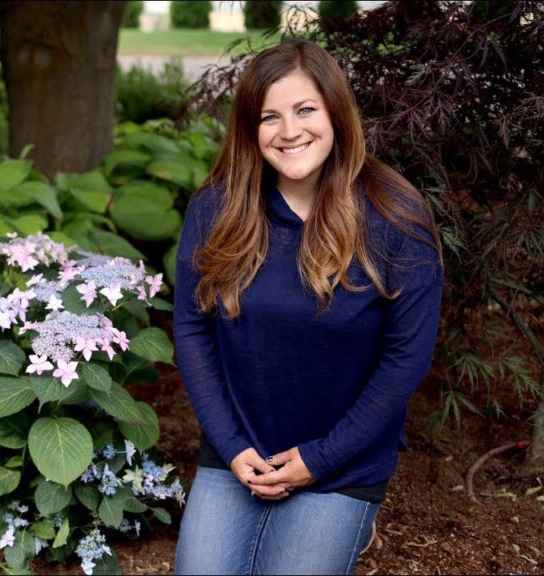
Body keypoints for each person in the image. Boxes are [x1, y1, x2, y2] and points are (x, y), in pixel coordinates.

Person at [173, 38, 443, 575]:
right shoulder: (218, 209)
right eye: (269, 116)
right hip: (240, 453)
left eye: (304, 110)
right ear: (250, 130)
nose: (289, 131)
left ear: (335, 112)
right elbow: (191, 327)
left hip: (342, 462)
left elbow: (404, 360)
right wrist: (229, 444)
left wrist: (319, 460)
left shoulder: (396, 217)